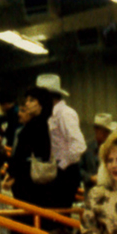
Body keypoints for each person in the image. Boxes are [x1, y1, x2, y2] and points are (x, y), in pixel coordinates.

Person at [1, 87, 52, 234]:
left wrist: (11, 174)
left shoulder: (37, 126)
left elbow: (22, 156)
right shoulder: (42, 125)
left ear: (41, 104)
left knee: (25, 229)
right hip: (30, 185)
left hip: (28, 186)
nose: (28, 104)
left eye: (31, 100)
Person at [36, 74, 85, 211]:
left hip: (65, 172)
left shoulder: (65, 114)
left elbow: (79, 145)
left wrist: (61, 166)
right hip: (56, 170)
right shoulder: (50, 115)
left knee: (59, 213)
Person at [79, 113, 115, 193]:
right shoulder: (86, 149)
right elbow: (78, 170)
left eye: (108, 131)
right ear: (96, 130)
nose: (107, 134)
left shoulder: (115, 149)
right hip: (91, 194)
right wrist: (90, 178)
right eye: (104, 131)